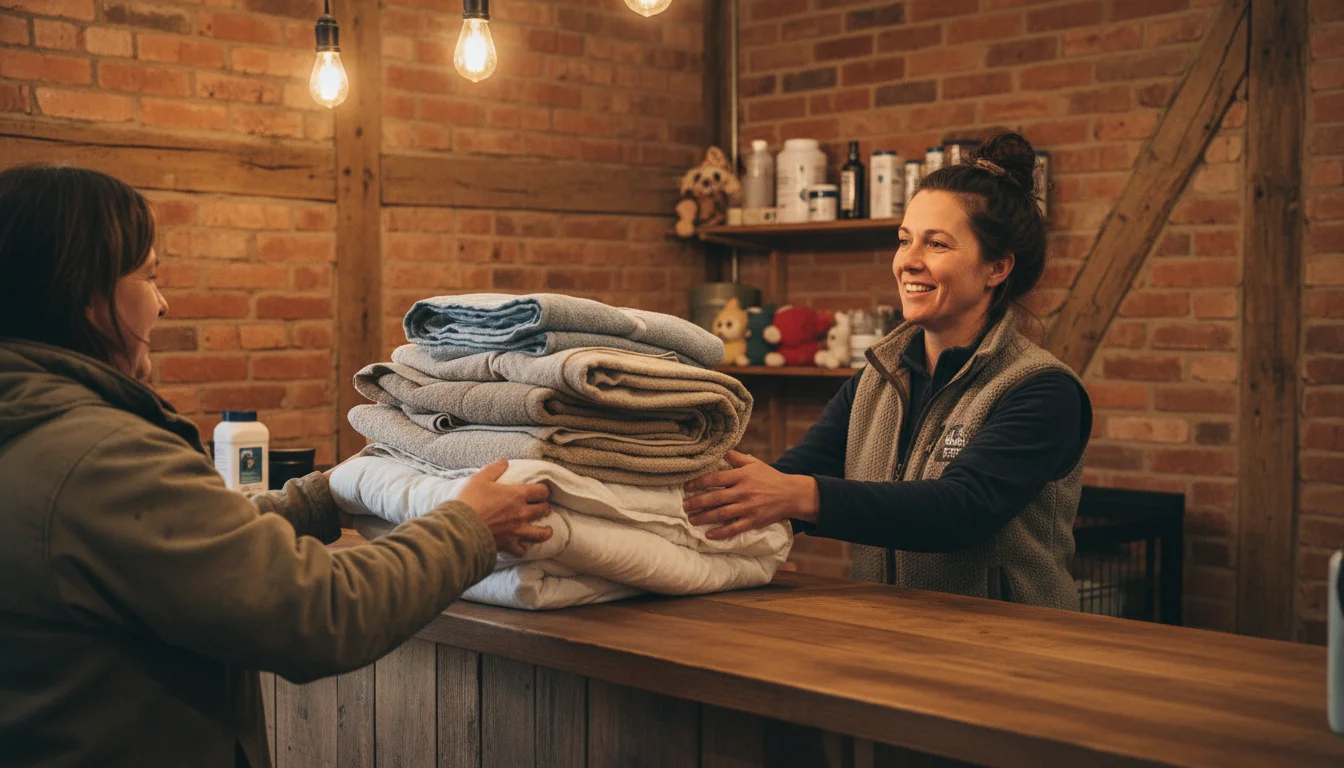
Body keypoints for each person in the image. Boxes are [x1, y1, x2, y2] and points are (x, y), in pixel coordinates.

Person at [0, 164, 553, 767]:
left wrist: (322, 497)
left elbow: (187, 547)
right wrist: (467, 526)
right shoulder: (98, 456)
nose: (161, 304)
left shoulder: (30, 429)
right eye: (148, 276)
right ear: (85, 295)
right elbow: (318, 611)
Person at [684, 133, 1093, 610]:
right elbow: (796, 474)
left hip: (1008, 650)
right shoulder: (878, 377)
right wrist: (737, 525)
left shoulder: (1041, 389)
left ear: (997, 268)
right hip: (891, 636)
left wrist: (797, 496)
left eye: (936, 244)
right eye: (904, 240)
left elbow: (959, 510)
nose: (908, 262)